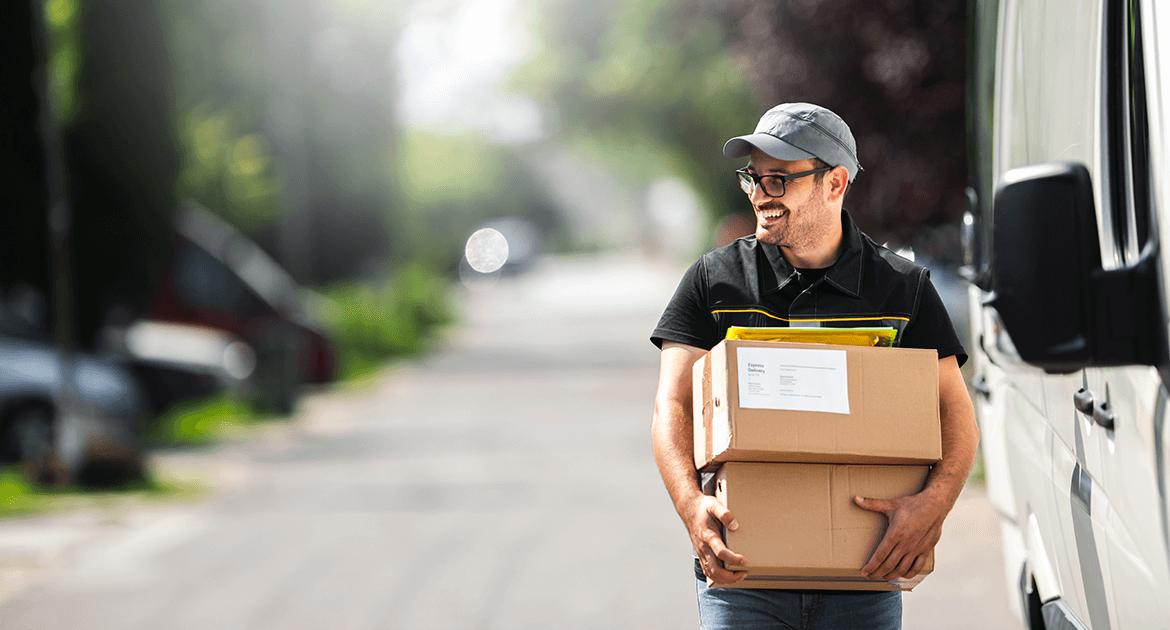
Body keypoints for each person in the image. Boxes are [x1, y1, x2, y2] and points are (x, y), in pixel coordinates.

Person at [649, 102, 979, 629]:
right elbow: (673, 405)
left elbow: (954, 410)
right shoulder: (714, 281)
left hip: (863, 582)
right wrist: (692, 506)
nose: (760, 195)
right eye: (752, 179)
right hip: (742, 582)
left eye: (778, 180)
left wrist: (934, 504)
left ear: (835, 182)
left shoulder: (901, 288)